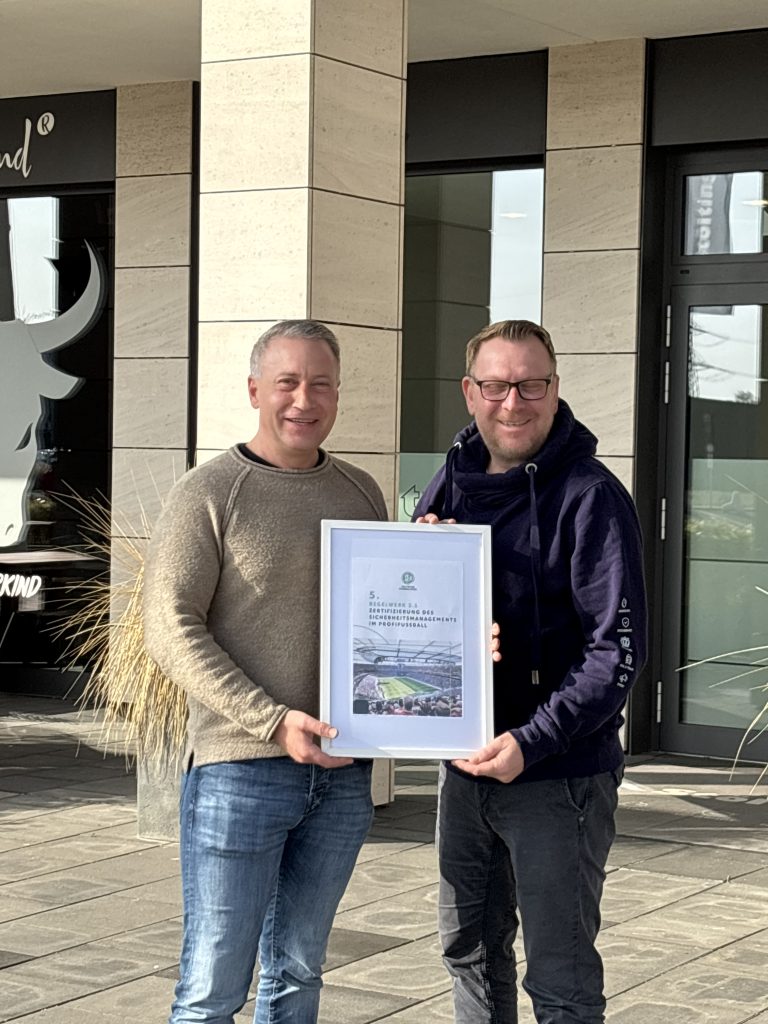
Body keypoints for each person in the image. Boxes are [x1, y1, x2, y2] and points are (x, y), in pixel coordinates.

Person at [143, 320, 388, 1024]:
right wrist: (273, 721)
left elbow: (383, 614)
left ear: (338, 394)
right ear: (255, 390)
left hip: (341, 776)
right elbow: (169, 628)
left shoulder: (362, 492)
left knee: (300, 970)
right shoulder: (209, 493)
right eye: (287, 382)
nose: (303, 400)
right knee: (212, 986)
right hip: (239, 772)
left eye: (320, 384)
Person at [414, 319, 647, 1024]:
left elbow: (617, 652)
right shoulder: (450, 483)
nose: (512, 403)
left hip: (558, 778)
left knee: (561, 979)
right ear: (469, 392)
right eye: (495, 386)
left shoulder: (591, 496)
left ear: (554, 388)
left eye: (530, 385)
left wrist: (532, 741)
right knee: (470, 955)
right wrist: (423, 565)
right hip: (464, 767)